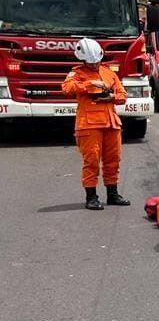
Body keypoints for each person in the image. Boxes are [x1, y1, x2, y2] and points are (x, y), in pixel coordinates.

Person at [61, 37, 130, 210]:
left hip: (111, 123)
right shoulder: (76, 73)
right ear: (82, 60)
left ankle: (112, 194)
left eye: (96, 61)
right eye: (90, 63)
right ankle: (91, 197)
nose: (94, 65)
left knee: (113, 160)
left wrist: (112, 97)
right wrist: (91, 84)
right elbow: (67, 89)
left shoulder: (108, 72)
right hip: (89, 125)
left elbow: (122, 95)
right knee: (91, 161)